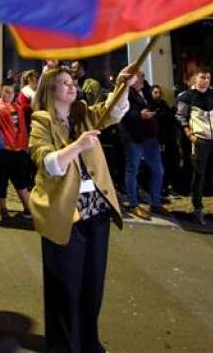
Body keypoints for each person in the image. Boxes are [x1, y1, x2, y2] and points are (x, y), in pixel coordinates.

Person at [29, 64, 134, 353]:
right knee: (65, 288)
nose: (72, 86)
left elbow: (113, 111)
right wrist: (76, 146)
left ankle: (89, 343)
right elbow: (47, 162)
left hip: (96, 212)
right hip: (64, 214)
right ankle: (64, 346)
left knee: (92, 285)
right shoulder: (42, 121)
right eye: (64, 83)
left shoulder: (84, 114)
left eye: (72, 82)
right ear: (50, 90)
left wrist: (123, 85)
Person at [176, 69, 213, 226]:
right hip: (201, 140)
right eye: (203, 77)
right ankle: (198, 209)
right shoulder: (187, 97)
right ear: (195, 79)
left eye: (208, 77)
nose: (206, 80)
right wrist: (190, 135)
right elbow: (181, 116)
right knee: (199, 177)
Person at [0, 83, 33, 222]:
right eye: (6, 92)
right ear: (1, 92)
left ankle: (28, 208)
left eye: (11, 92)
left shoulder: (18, 108)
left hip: (17, 149)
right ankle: (3, 211)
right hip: (1, 150)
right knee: (1, 180)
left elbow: (22, 128)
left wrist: (24, 144)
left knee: (21, 180)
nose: (9, 95)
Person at [120, 72, 164, 219]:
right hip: (134, 137)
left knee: (158, 170)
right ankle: (133, 204)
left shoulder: (146, 91)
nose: (142, 78)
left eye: (143, 76)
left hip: (150, 136)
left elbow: (154, 104)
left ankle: (155, 203)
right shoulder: (124, 93)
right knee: (133, 170)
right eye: (139, 76)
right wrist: (139, 115)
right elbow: (121, 114)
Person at [149, 85, 180, 199]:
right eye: (155, 92)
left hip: (168, 139)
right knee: (160, 165)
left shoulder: (163, 105)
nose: (158, 95)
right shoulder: (150, 106)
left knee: (170, 163)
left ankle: (168, 187)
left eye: (159, 92)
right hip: (157, 139)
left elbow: (170, 119)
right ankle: (161, 188)